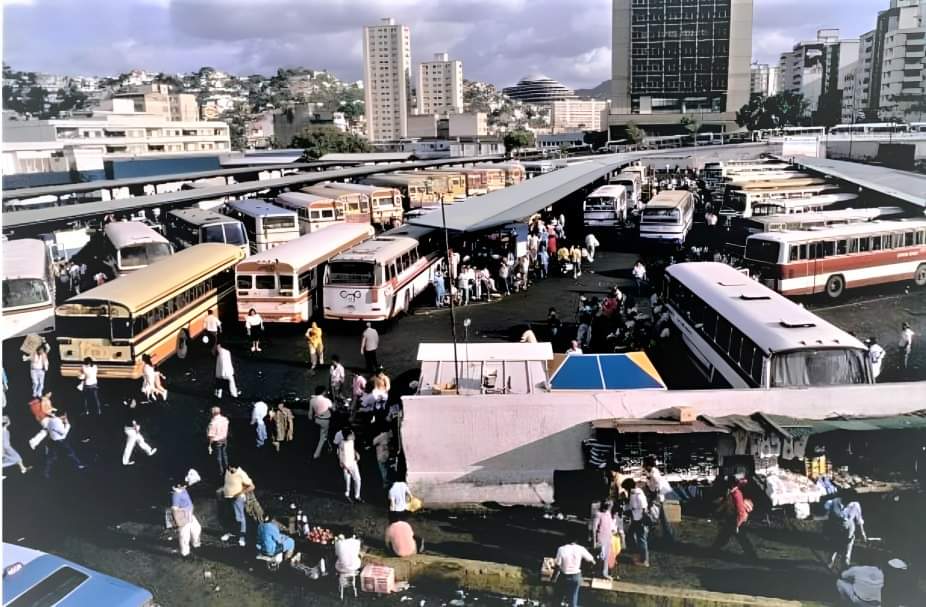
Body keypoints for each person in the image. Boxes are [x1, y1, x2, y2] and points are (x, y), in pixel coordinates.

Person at [712, 476, 757, 560]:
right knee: (728, 534)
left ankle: (751, 555)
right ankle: (714, 549)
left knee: (737, 536)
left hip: (736, 518)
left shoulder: (736, 494)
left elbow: (740, 511)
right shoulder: (734, 492)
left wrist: (738, 524)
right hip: (733, 517)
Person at [554, 534, 595, 607]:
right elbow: (592, 560)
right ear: (576, 541)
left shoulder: (561, 549)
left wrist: (554, 577)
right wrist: (587, 570)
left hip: (564, 576)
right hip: (576, 576)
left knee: (558, 597)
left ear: (566, 540)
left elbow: (558, 565)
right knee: (573, 598)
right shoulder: (581, 548)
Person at [826, 498, 868, 569]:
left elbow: (859, 519)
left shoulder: (855, 505)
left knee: (849, 542)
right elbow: (829, 517)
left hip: (849, 528)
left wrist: (862, 533)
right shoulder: (835, 502)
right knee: (835, 543)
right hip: (838, 527)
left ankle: (846, 560)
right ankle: (831, 560)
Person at [41, 413, 85, 478]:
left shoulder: (50, 420)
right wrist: (67, 424)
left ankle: (45, 473)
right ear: (63, 415)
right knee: (71, 453)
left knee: (51, 457)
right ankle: (79, 465)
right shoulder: (58, 422)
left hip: (52, 441)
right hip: (60, 441)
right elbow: (63, 433)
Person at [643, 456, 676, 543]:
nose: (643, 466)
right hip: (662, 497)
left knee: (661, 518)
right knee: (661, 518)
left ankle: (667, 538)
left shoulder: (654, 474)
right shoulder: (651, 473)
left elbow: (658, 488)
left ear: (648, 465)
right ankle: (667, 537)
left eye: (644, 464)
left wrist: (653, 501)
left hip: (663, 496)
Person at [222, 464, 254, 547]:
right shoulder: (227, 471)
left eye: (235, 469)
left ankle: (242, 537)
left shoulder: (241, 473)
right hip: (227, 498)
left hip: (238, 499)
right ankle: (231, 532)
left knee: (240, 518)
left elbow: (252, 486)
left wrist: (240, 493)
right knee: (229, 516)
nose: (234, 470)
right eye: (232, 469)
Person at [623, 478, 650, 567]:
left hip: (640, 519)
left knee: (641, 539)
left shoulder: (637, 494)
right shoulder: (633, 493)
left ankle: (644, 560)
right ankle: (637, 553)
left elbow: (644, 507)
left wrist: (643, 519)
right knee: (630, 535)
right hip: (635, 518)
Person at [171, 480, 201, 558]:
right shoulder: (176, 495)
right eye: (183, 485)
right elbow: (175, 510)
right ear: (178, 485)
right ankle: (185, 553)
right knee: (184, 536)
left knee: (197, 528)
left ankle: (196, 544)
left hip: (189, 514)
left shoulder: (182, 489)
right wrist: (178, 522)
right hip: (183, 517)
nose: (185, 486)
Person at [593, 501, 621, 580]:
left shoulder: (608, 514)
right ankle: (598, 571)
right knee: (601, 556)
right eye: (609, 505)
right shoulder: (598, 514)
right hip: (601, 538)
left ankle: (604, 573)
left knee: (606, 556)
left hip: (608, 537)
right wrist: (594, 541)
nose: (609, 506)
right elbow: (594, 529)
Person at [338, 428, 362, 503]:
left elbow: (352, 448)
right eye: (351, 435)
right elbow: (340, 455)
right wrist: (344, 466)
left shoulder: (352, 441)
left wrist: (356, 453)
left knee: (358, 479)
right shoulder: (342, 443)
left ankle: (357, 496)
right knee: (347, 482)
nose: (353, 436)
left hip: (353, 463)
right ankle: (347, 495)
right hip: (346, 464)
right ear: (346, 436)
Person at [310, 386, 333, 460]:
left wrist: (311, 418)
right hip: (325, 420)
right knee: (322, 437)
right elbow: (333, 408)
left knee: (324, 434)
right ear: (323, 392)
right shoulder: (327, 400)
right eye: (325, 391)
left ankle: (328, 444)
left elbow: (310, 412)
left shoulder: (312, 400)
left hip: (317, 419)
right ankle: (316, 454)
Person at [207, 406, 230, 475]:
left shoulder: (213, 423)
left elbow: (211, 435)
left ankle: (221, 471)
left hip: (217, 441)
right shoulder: (225, 419)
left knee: (218, 457)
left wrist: (210, 445)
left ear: (213, 413)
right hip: (224, 439)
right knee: (224, 454)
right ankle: (227, 468)